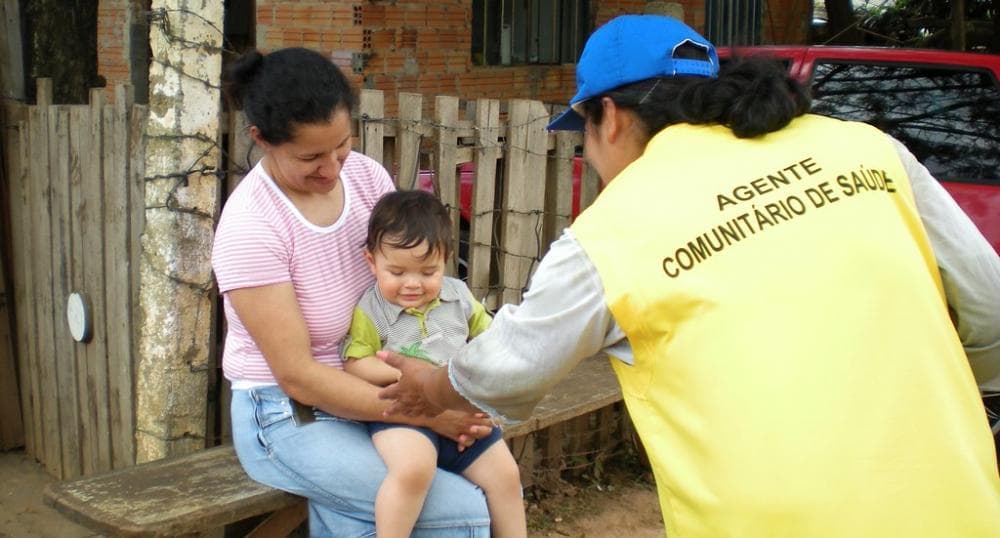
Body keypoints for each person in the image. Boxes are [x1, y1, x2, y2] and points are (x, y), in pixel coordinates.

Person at [377, 14, 1000, 537]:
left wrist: (431, 385)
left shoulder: (615, 229)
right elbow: (991, 304)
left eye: (583, 135)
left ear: (609, 116)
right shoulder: (866, 148)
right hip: (958, 501)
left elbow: (512, 366)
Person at [211, 47, 494, 537]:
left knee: (376, 511)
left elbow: (403, 286)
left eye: (341, 146)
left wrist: (442, 385)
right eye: (310, 157)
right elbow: (298, 377)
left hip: (377, 385)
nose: (332, 169)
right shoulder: (250, 227)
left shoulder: (366, 177)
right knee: (462, 509)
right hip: (288, 412)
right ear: (261, 139)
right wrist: (430, 413)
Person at [341, 189, 527, 538]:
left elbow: (491, 338)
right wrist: (412, 374)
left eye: (428, 272)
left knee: (506, 475)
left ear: (446, 260)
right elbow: (355, 364)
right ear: (371, 261)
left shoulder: (458, 297)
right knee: (413, 470)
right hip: (404, 413)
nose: (412, 284)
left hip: (459, 407)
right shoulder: (371, 309)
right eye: (397, 271)